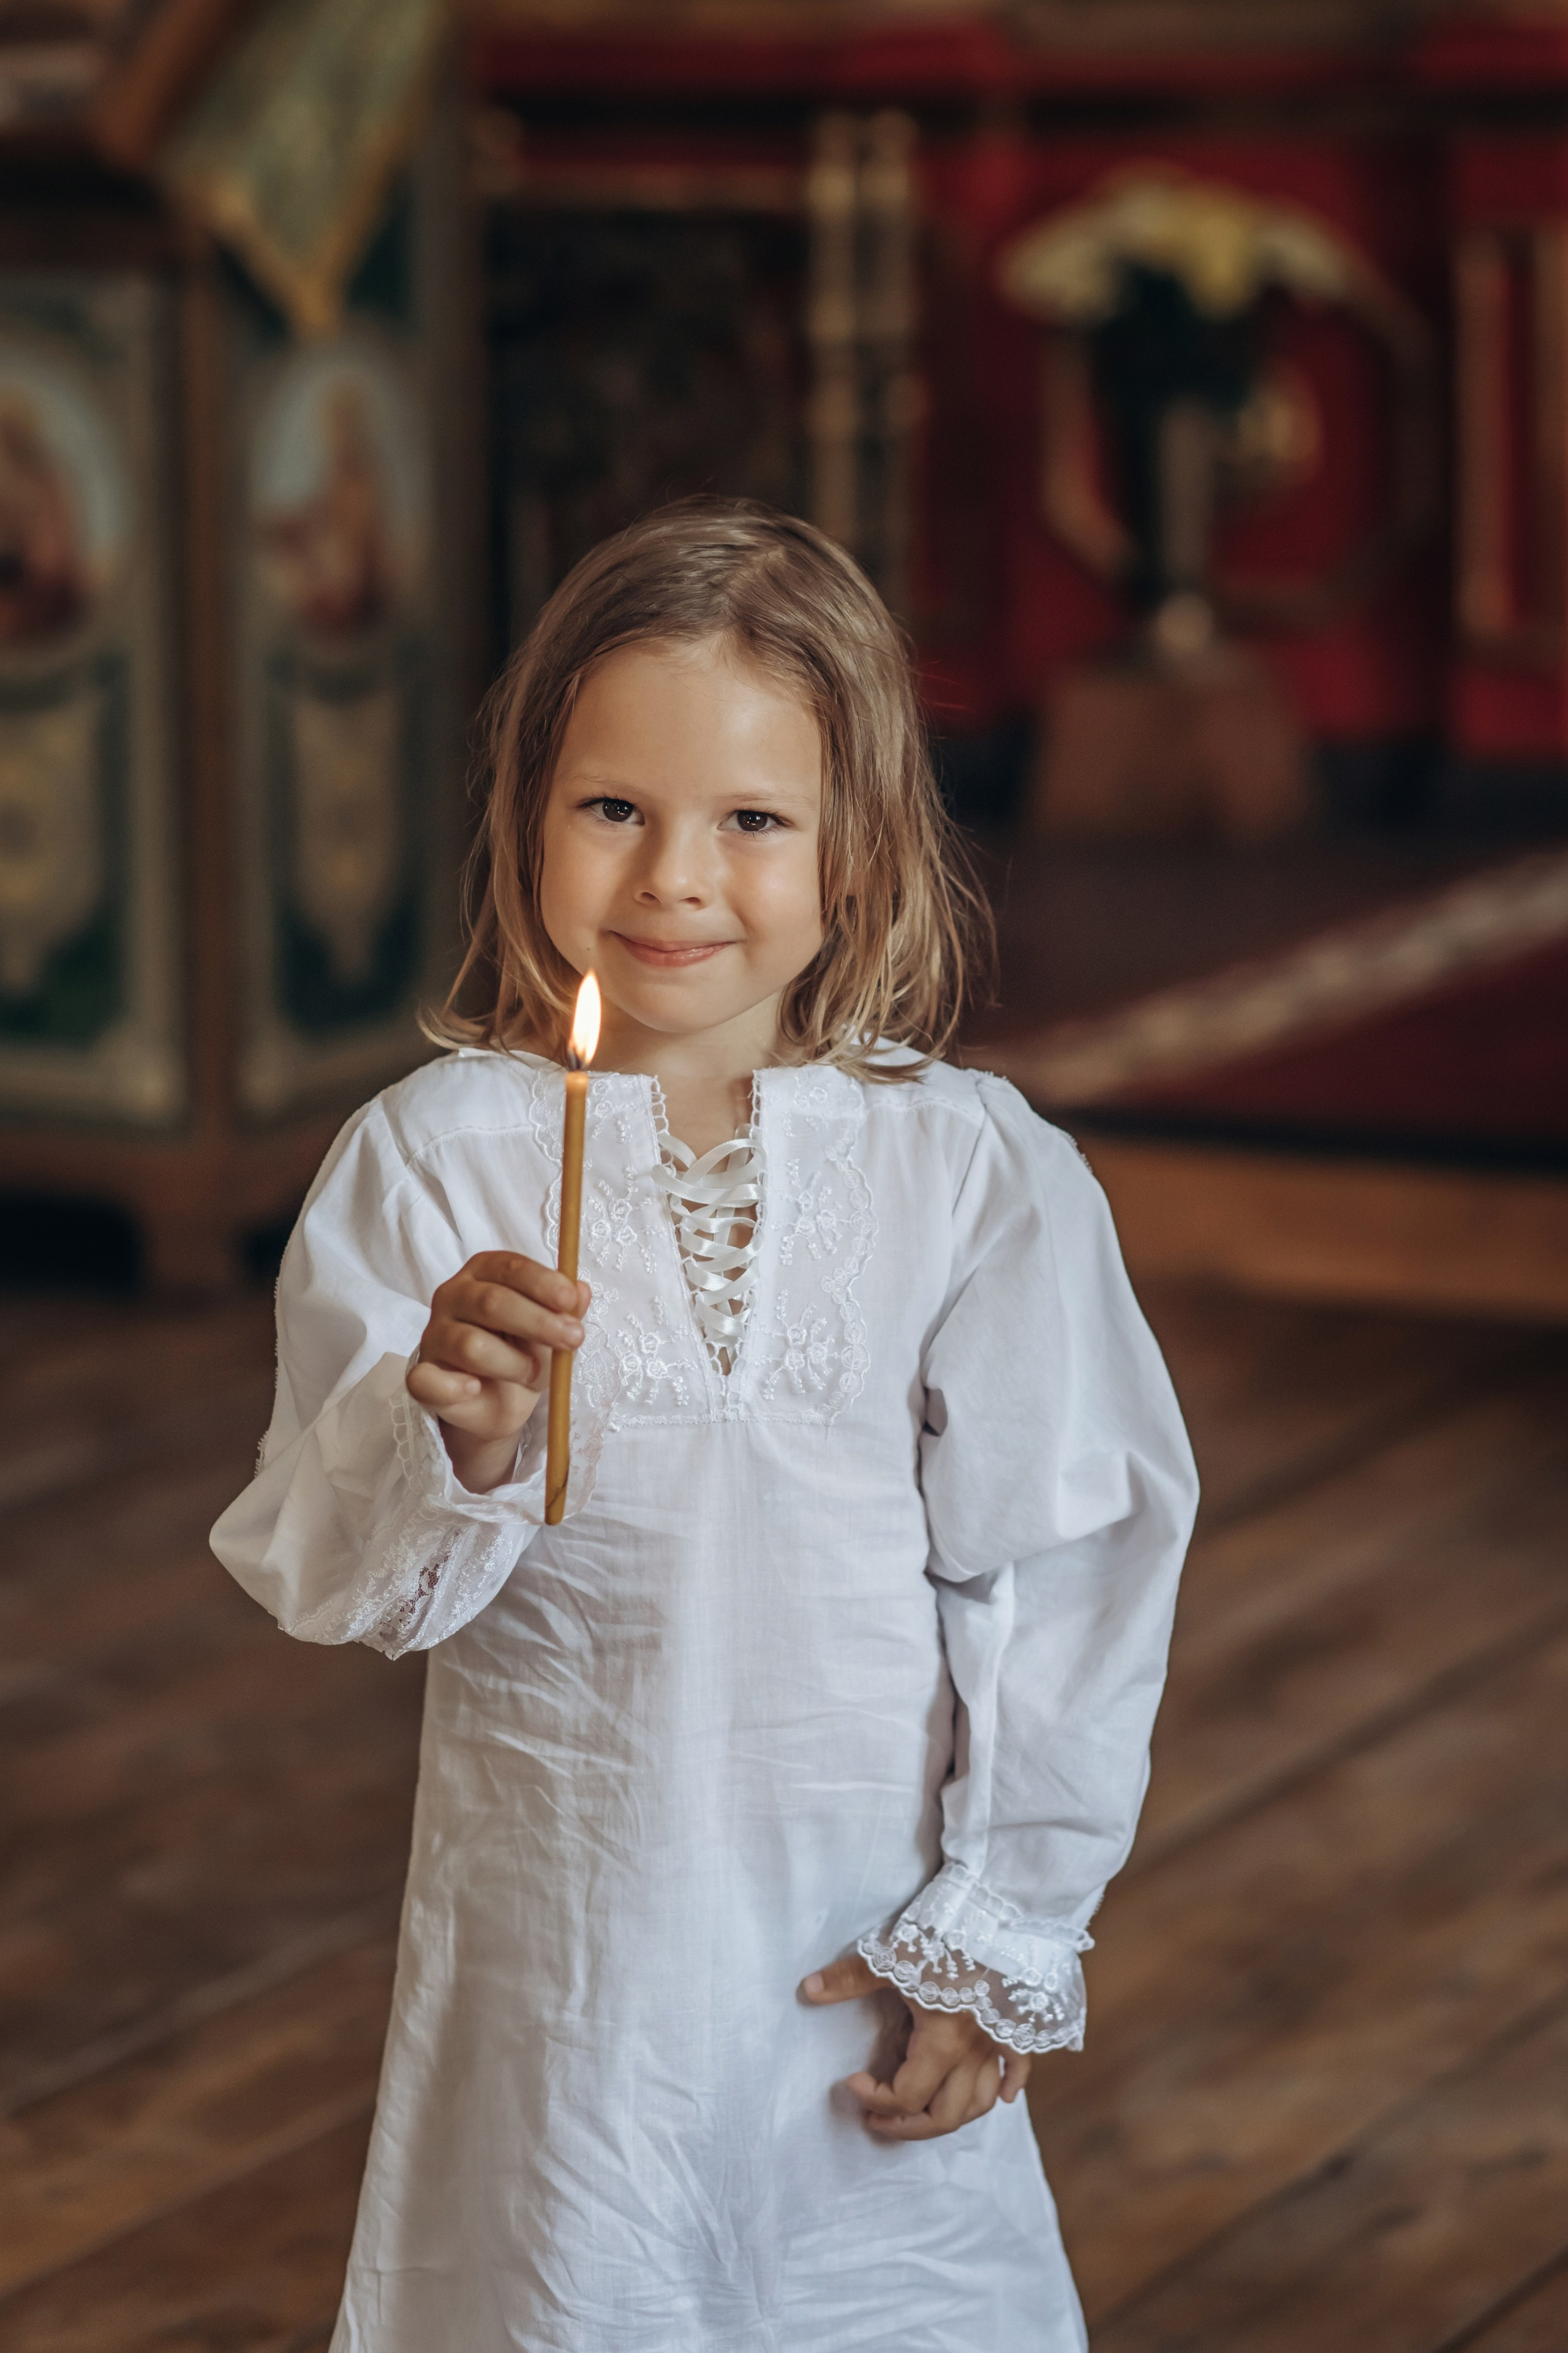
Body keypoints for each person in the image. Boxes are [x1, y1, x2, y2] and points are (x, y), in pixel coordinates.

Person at [211, 499, 1198, 2352]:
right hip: (572, 1976)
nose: (674, 877)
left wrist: (1000, 1926)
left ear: (858, 851)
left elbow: (1066, 1563)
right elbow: (344, 1574)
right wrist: (468, 1437)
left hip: (864, 1951)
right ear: (527, 811)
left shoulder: (970, 1174)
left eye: (751, 820)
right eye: (614, 810)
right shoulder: (434, 1163)